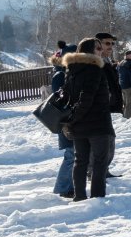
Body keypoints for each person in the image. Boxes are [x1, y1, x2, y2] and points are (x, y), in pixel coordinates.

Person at [59, 38, 114, 200]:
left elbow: (68, 97)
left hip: (78, 125)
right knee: (99, 162)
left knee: (80, 161)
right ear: (89, 50)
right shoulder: (95, 69)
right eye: (98, 48)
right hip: (98, 124)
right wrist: (76, 116)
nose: (101, 51)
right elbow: (86, 98)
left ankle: (80, 196)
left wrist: (72, 120)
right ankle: (97, 197)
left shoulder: (71, 70)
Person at [50, 44, 76, 198]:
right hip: (66, 121)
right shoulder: (60, 75)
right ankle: (64, 187)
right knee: (71, 154)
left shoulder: (67, 73)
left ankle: (68, 186)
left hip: (71, 119)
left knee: (74, 154)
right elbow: (59, 100)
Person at [94, 32, 121, 177]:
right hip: (97, 110)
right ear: (98, 44)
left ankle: (103, 170)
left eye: (112, 43)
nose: (111, 46)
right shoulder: (95, 63)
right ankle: (95, 172)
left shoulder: (107, 61)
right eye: (107, 43)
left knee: (109, 140)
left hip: (106, 107)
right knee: (103, 141)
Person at [117, 50, 131, 119]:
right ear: (128, 55)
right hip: (130, 86)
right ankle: (128, 118)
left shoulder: (121, 63)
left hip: (123, 86)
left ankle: (124, 117)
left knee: (125, 103)